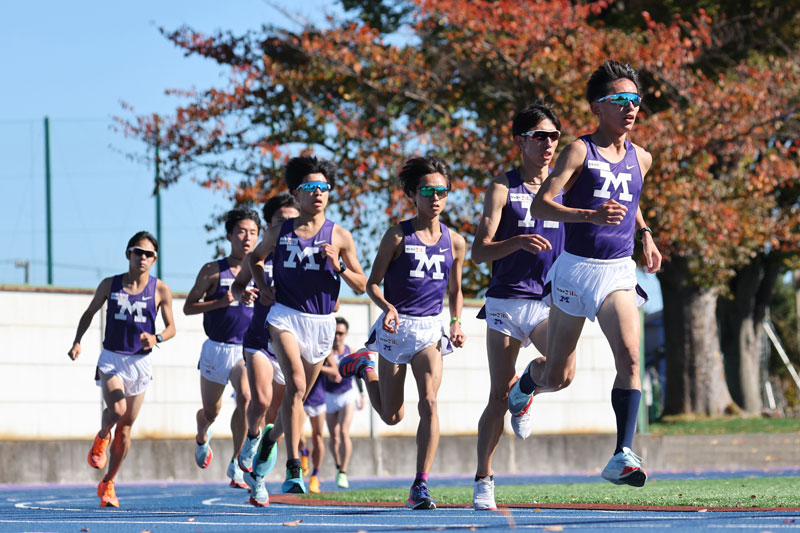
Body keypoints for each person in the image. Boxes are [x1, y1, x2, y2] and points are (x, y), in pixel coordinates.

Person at [513, 60, 662, 488]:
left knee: (631, 358)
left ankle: (622, 454)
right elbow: (540, 205)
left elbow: (628, 203)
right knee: (557, 374)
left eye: (635, 100)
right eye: (620, 100)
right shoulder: (579, 150)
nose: (630, 108)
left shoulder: (643, 158)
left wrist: (646, 234)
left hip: (617, 270)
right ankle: (527, 384)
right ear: (598, 107)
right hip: (575, 271)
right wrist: (589, 216)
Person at [338, 155, 467, 510]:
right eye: (428, 191)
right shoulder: (397, 235)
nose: (436, 198)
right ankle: (365, 368)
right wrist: (388, 308)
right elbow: (372, 284)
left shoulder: (455, 243)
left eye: (442, 191)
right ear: (413, 194)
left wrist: (456, 322)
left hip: (430, 329)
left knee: (429, 400)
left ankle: (420, 485)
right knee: (392, 416)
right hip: (397, 327)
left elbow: (455, 292)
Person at [471, 104, 576, 511]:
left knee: (562, 372)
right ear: (520, 141)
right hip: (505, 301)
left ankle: (527, 387)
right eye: (539, 136)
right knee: (497, 396)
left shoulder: (565, 187)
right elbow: (480, 252)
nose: (548, 143)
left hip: (547, 300)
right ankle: (484, 478)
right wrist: (516, 241)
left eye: (553, 136)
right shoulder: (502, 187)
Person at [247, 155, 368, 495]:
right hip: (285, 315)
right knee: (296, 386)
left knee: (296, 399)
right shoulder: (279, 231)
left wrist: (338, 266)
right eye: (310, 187)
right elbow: (254, 258)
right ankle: (293, 468)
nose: (318, 193)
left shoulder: (340, 236)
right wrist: (264, 285)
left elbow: (362, 284)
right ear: (296, 195)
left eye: (324, 188)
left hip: (322, 324)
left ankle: (271, 439)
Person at [68, 231, 176, 508]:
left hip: (140, 363)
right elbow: (90, 312)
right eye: (138, 251)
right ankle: (102, 436)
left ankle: (108, 483)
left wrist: (157, 338)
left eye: (148, 254)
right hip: (112, 359)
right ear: (128, 253)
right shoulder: (110, 284)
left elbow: (171, 328)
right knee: (116, 411)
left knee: (126, 430)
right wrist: (77, 341)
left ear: (154, 259)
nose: (142, 257)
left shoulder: (160, 289)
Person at [183, 208, 261, 489]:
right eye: (241, 231)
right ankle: (202, 433)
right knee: (211, 412)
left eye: (253, 232)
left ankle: (238, 462)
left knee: (247, 397)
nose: (247, 238)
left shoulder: (262, 269)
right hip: (216, 348)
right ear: (229, 235)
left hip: (246, 349)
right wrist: (221, 302)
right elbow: (188, 307)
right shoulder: (212, 270)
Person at [231, 193, 299, 507]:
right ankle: (252, 436)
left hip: (290, 346)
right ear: (270, 226)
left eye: (292, 220)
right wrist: (243, 294)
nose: (288, 226)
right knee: (260, 400)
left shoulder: (305, 256)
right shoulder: (258, 258)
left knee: (281, 417)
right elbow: (237, 285)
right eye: (281, 222)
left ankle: (258, 478)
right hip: (258, 340)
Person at [323, 316, 364, 489]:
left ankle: (344, 472)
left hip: (347, 394)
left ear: (346, 334)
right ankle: (338, 465)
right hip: (329, 395)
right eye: (335, 332)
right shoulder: (325, 352)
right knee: (334, 435)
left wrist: (361, 394)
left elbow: (357, 374)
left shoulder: (350, 352)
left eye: (340, 333)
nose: (337, 336)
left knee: (344, 432)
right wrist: (330, 371)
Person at [298, 376, 326, 493]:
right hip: (301, 400)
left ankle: (315, 475)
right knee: (298, 435)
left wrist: (319, 368)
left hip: (318, 400)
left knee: (318, 438)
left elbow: (334, 372)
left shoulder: (325, 357)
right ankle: (304, 453)